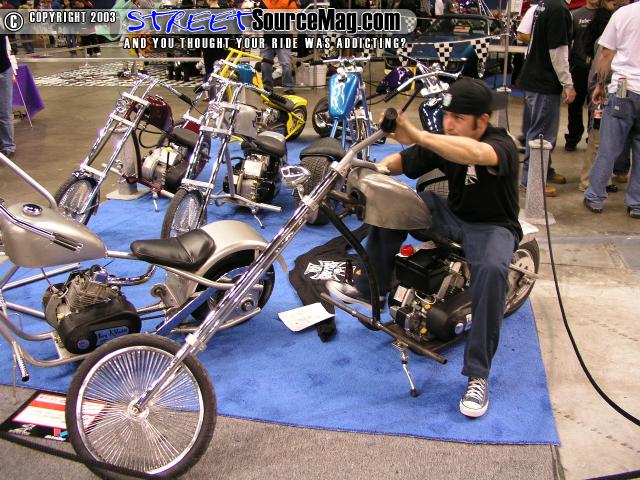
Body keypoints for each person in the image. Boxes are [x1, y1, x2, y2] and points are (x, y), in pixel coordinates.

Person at [327, 78, 520, 418]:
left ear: (482, 121)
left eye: (458, 118)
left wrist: (418, 134)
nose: (449, 123)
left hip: (492, 225)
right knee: (394, 203)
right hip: (452, 214)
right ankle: (371, 289)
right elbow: (406, 160)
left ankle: (478, 374)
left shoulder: (500, 145)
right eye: (447, 115)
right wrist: (376, 170)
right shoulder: (445, 140)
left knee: (491, 271)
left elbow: (475, 154)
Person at [583, 0, 640, 219]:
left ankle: (595, 196)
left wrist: (599, 85)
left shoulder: (624, 14)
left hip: (623, 91)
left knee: (608, 148)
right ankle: (636, 203)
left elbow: (606, 54)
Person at [518, 0, 575, 197]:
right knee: (541, 136)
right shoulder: (558, 9)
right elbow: (558, 51)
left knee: (540, 132)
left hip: (535, 78)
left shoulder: (545, 4)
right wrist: (568, 84)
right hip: (544, 82)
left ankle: (545, 171)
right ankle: (531, 181)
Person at [564, 0, 600, 152]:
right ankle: (573, 137)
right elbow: (567, 42)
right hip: (578, 67)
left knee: (596, 106)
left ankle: (592, 137)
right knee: (575, 105)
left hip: (598, 69)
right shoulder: (575, 15)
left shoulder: (605, 15)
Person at [259, 0, 297, 94]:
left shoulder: (288, 1)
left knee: (286, 64)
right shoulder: (264, 2)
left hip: (283, 38)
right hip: (268, 38)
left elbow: (296, 14)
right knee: (265, 64)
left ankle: (288, 86)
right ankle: (267, 87)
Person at [0, 35, 17, 158]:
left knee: (4, 112)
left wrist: (13, 71)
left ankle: (8, 146)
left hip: (4, 71)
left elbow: (7, 48)